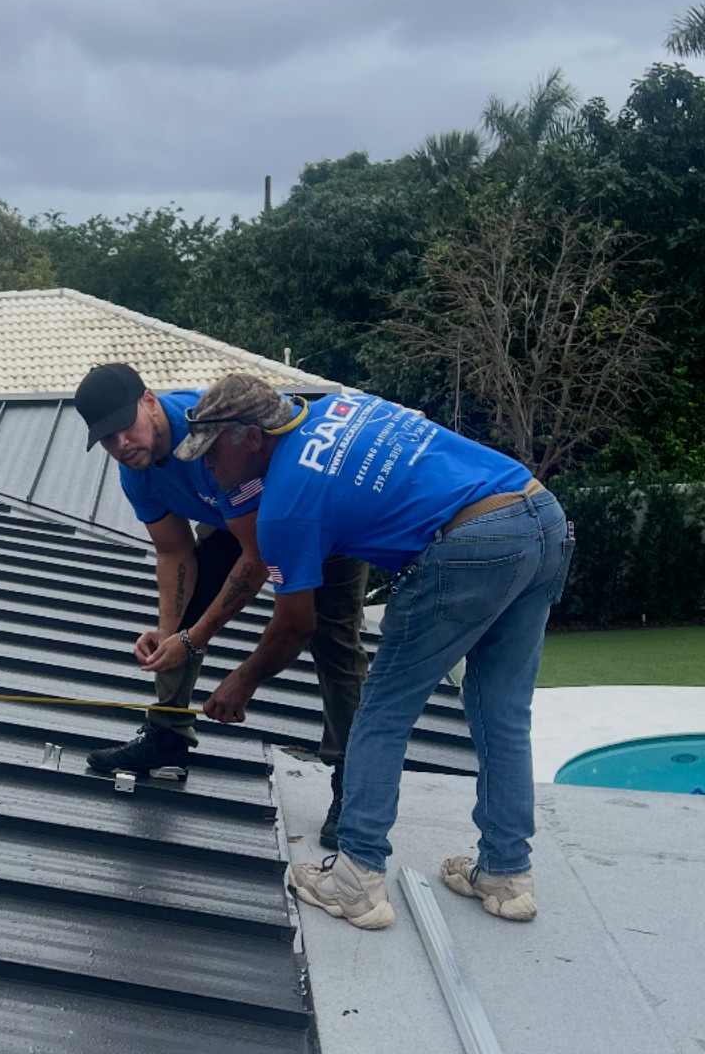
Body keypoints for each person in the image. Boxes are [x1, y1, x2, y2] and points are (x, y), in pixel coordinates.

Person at [174, 371, 574, 930]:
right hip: (543, 518)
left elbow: (295, 625)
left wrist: (242, 679)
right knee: (503, 713)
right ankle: (507, 875)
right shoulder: (345, 406)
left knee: (381, 713)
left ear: (249, 436)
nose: (206, 467)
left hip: (469, 543)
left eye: (210, 453)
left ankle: (356, 879)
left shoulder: (286, 505)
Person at [74, 363, 368, 832]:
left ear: (150, 401)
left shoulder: (213, 434)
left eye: (125, 429)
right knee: (183, 611)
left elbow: (255, 560)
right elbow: (174, 550)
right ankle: (167, 738)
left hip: (316, 511)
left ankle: (354, 786)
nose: (121, 445)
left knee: (332, 641)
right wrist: (170, 632)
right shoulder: (138, 472)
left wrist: (193, 640)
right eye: (107, 440)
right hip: (238, 518)